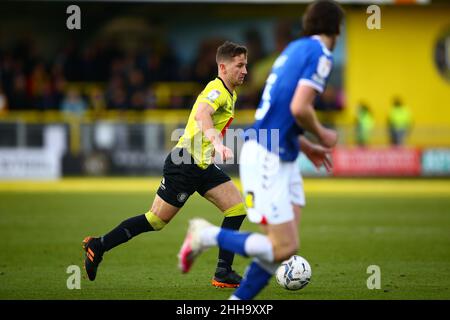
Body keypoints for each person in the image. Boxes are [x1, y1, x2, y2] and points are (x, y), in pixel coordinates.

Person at [178, 0, 343, 300]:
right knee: (282, 247)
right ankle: (205, 235)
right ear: (337, 29)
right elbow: (298, 107)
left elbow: (280, 110)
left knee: (285, 247)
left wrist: (306, 145)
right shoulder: (321, 54)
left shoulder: (294, 50)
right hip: (269, 154)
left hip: (282, 151)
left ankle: (236, 301)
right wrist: (322, 133)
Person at [82, 41, 249, 288]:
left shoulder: (229, 92)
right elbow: (202, 113)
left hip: (201, 165)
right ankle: (99, 245)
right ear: (223, 67)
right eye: (240, 65)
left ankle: (223, 273)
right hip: (184, 164)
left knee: (236, 209)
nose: (245, 70)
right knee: (156, 220)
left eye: (246, 65)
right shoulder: (216, 90)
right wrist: (217, 142)